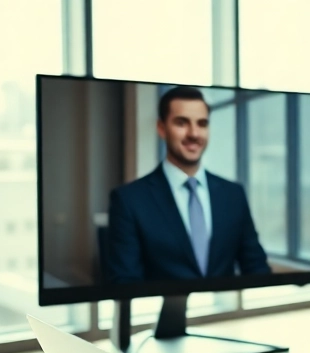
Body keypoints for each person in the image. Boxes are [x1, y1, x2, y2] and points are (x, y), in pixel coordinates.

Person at [105, 86, 270, 283]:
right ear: (161, 128)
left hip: (223, 314)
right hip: (163, 313)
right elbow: (125, 282)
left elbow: (257, 269)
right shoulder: (129, 200)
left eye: (202, 124)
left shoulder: (233, 194)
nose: (194, 134)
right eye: (181, 123)